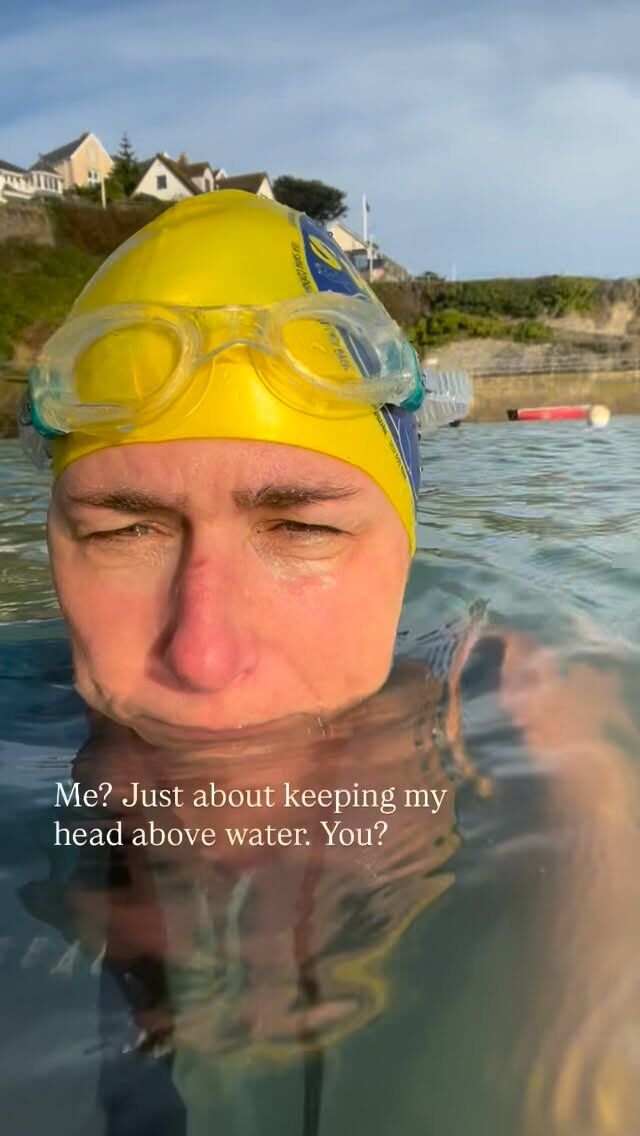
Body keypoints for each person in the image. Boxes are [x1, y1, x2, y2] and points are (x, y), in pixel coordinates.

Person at [18, 190, 640, 1135]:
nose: (203, 652)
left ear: (404, 545)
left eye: (300, 527)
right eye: (126, 529)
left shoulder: (519, 713)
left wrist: (592, 821)